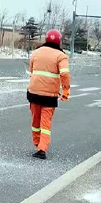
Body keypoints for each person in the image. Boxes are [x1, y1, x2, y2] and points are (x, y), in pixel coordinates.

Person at [27, 29, 70, 160]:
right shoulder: (61, 56)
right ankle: (42, 149)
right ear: (59, 41)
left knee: (35, 120)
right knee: (45, 124)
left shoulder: (36, 52)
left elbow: (31, 70)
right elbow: (64, 74)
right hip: (49, 96)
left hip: (34, 92)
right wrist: (66, 90)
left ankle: (36, 142)